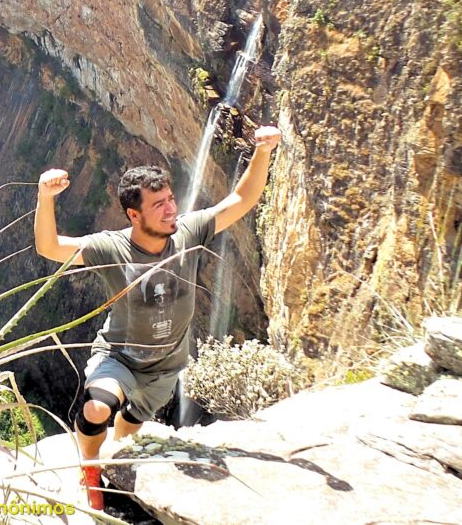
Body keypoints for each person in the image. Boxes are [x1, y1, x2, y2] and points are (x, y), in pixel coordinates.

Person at [34, 125, 282, 510]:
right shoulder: (111, 248)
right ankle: (89, 470)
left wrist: (263, 151)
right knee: (98, 406)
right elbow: (49, 247)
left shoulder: (188, 232)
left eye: (170, 199)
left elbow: (241, 200)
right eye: (159, 204)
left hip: (167, 365)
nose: (171, 209)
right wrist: (45, 197)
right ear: (134, 214)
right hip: (119, 357)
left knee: (131, 424)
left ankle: (119, 460)